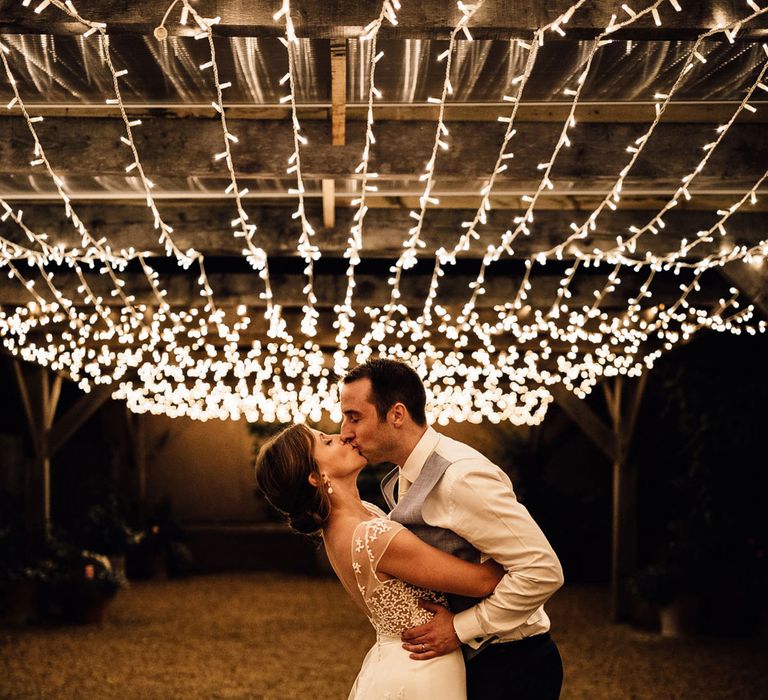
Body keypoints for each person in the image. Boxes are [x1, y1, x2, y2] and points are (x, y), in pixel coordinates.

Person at [340, 358, 565, 700]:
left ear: (397, 415)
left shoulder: (462, 477)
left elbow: (543, 570)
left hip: (512, 666)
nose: (345, 432)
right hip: (476, 664)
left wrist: (461, 628)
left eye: (354, 417)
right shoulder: (403, 475)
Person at [254, 422, 504, 699]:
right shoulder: (374, 536)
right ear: (316, 476)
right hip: (423, 668)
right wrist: (510, 532)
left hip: (396, 658)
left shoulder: (353, 520)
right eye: (326, 442)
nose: (342, 436)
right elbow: (482, 581)